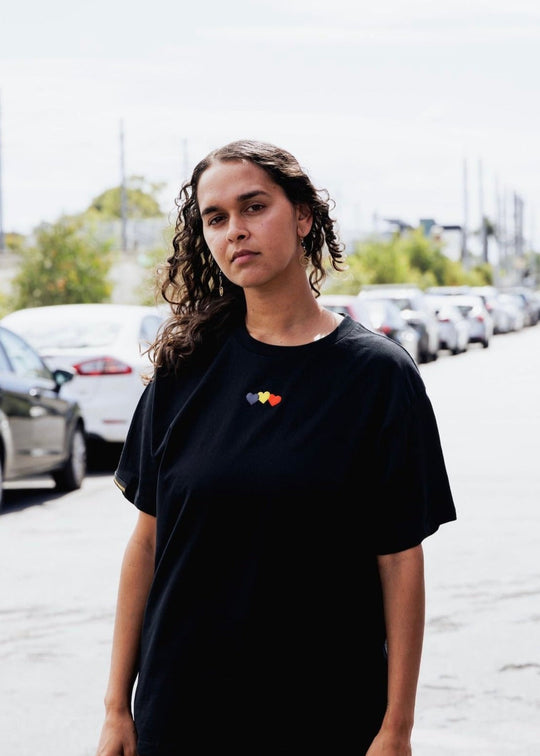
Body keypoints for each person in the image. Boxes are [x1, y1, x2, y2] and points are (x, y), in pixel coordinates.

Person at [95, 139, 456, 756]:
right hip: (181, 711)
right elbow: (148, 542)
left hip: (325, 715)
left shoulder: (376, 376)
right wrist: (115, 710)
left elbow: (399, 560)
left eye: (254, 207)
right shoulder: (185, 368)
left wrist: (396, 727)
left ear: (303, 216)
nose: (235, 230)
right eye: (216, 218)